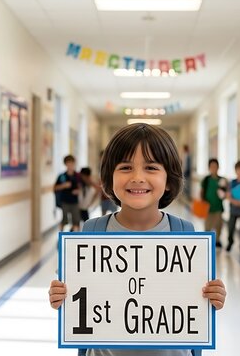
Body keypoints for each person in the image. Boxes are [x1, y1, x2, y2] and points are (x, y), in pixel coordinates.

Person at [48, 123, 227, 356]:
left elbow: (194, 300)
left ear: (169, 179)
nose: (138, 177)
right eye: (125, 167)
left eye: (151, 167)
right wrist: (60, 296)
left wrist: (214, 296)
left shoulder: (184, 233)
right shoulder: (93, 232)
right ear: (108, 177)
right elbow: (77, 299)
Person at [200, 158, 227, 248]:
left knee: (219, 225)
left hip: (218, 206)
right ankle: (207, 239)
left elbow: (225, 193)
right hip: (208, 206)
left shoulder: (222, 180)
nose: (213, 168)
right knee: (208, 225)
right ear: (209, 168)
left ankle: (217, 240)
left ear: (218, 167)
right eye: (211, 166)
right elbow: (202, 191)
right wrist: (202, 201)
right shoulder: (206, 179)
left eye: (215, 166)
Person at [54, 155, 81, 231]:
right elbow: (55, 188)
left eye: (72, 164)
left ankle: (75, 236)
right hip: (64, 201)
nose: (70, 166)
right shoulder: (62, 176)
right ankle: (61, 235)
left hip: (74, 201)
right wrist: (63, 185)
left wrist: (78, 191)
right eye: (68, 164)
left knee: (76, 220)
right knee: (64, 220)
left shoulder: (77, 176)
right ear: (65, 164)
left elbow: (81, 187)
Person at [98, 151, 118, 215]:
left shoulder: (112, 166)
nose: (102, 159)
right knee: (103, 213)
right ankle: (104, 225)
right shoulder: (101, 167)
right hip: (104, 196)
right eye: (101, 158)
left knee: (114, 214)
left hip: (112, 195)